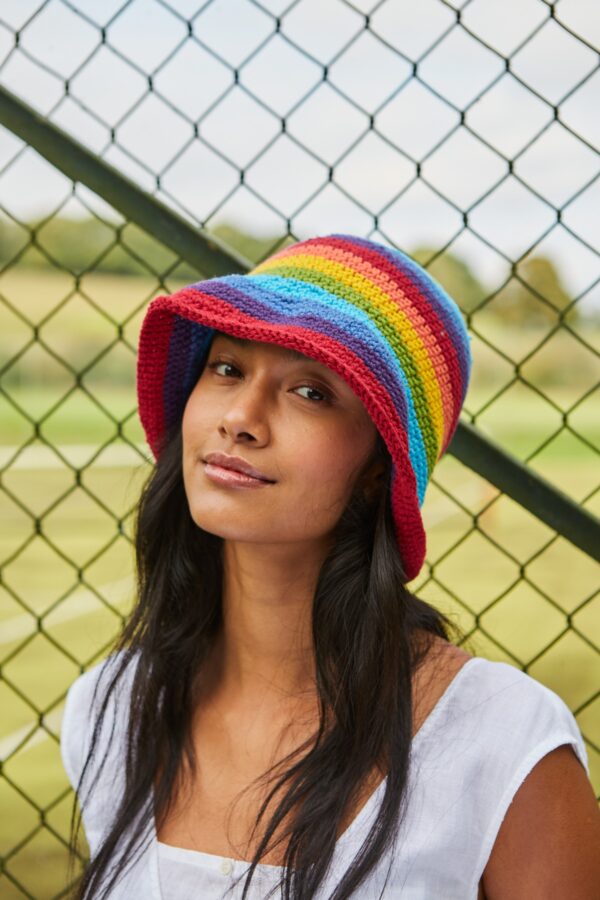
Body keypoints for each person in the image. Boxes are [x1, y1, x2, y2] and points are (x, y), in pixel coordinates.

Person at [60, 233, 599, 900]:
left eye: (311, 391)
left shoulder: (501, 745)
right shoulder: (109, 712)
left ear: (379, 469)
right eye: (227, 368)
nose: (240, 418)